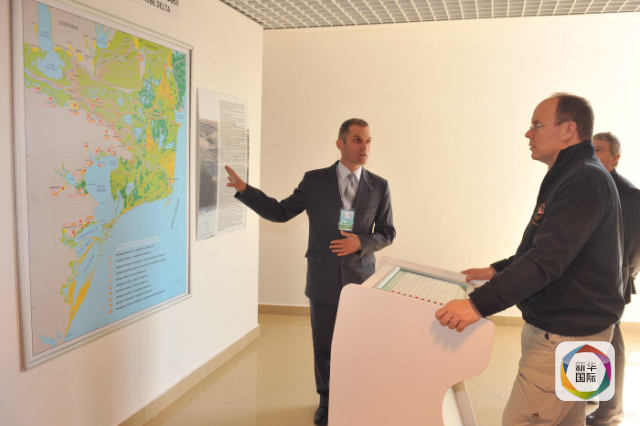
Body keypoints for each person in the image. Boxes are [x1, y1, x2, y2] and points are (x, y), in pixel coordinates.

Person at [435, 94, 625, 425]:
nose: (528, 133)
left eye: (536, 125)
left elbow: (546, 260)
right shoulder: (576, 174)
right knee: (569, 418)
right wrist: (495, 270)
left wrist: (477, 305)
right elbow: (547, 247)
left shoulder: (582, 179)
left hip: (565, 339)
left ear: (568, 130)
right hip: (585, 333)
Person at [225, 118, 395, 426]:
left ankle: (354, 399)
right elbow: (280, 212)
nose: (364, 147)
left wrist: (361, 241)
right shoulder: (315, 181)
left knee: (357, 346)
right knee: (325, 346)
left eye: (368, 140)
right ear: (340, 144)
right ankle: (327, 401)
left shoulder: (379, 186)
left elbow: (387, 232)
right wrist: (245, 190)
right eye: (357, 140)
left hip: (361, 281)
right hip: (323, 279)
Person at [586, 132, 640, 425]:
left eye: (599, 150)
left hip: (611, 283)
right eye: (589, 149)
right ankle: (590, 393)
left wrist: (621, 277)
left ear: (615, 159)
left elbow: (634, 248)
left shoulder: (630, 196)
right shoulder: (586, 185)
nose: (592, 154)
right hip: (584, 281)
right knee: (588, 338)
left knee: (610, 341)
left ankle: (610, 411)